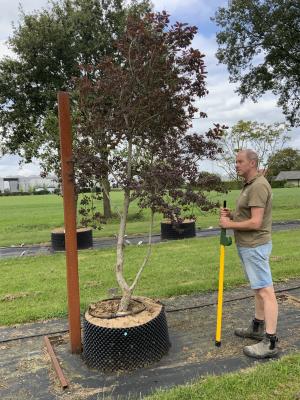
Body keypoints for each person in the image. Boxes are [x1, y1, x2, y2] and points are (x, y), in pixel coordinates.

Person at [219, 149, 278, 358]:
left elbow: (256, 222)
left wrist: (229, 223)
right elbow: (248, 215)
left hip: (255, 245)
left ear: (252, 163)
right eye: (235, 161)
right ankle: (256, 327)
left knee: (265, 291)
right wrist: (232, 216)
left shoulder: (258, 186)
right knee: (258, 289)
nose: (236, 165)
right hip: (248, 245)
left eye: (240, 161)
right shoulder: (250, 185)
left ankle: (270, 343)